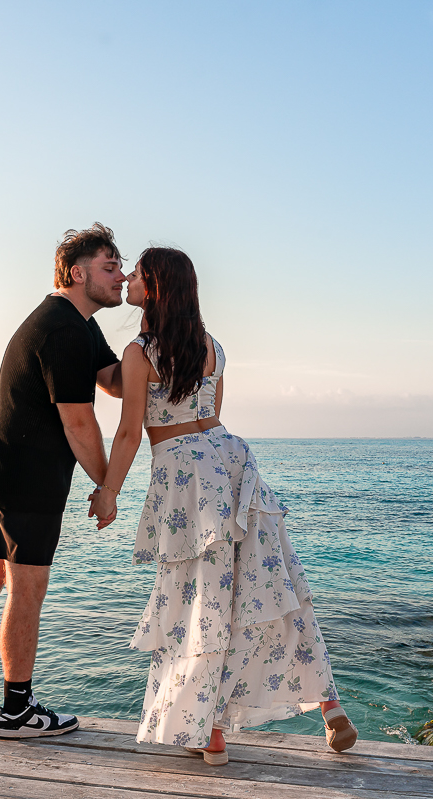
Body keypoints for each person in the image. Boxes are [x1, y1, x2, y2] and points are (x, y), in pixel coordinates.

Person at [90, 247, 356, 764]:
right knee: (270, 583)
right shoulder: (212, 348)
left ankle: (209, 732)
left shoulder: (140, 351)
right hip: (232, 460)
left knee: (201, 599)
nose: (129, 282)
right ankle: (329, 702)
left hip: (185, 475)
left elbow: (128, 431)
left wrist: (109, 491)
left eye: (138, 275)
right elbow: (208, 412)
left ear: (158, 288)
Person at [0, 223, 126, 738]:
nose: (121, 277)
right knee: (26, 586)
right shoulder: (63, 330)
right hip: (25, 475)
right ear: (78, 273)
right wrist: (108, 488)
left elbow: (117, 382)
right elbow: (80, 423)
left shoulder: (75, 322)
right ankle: (16, 710)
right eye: (110, 267)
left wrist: (156, 343)